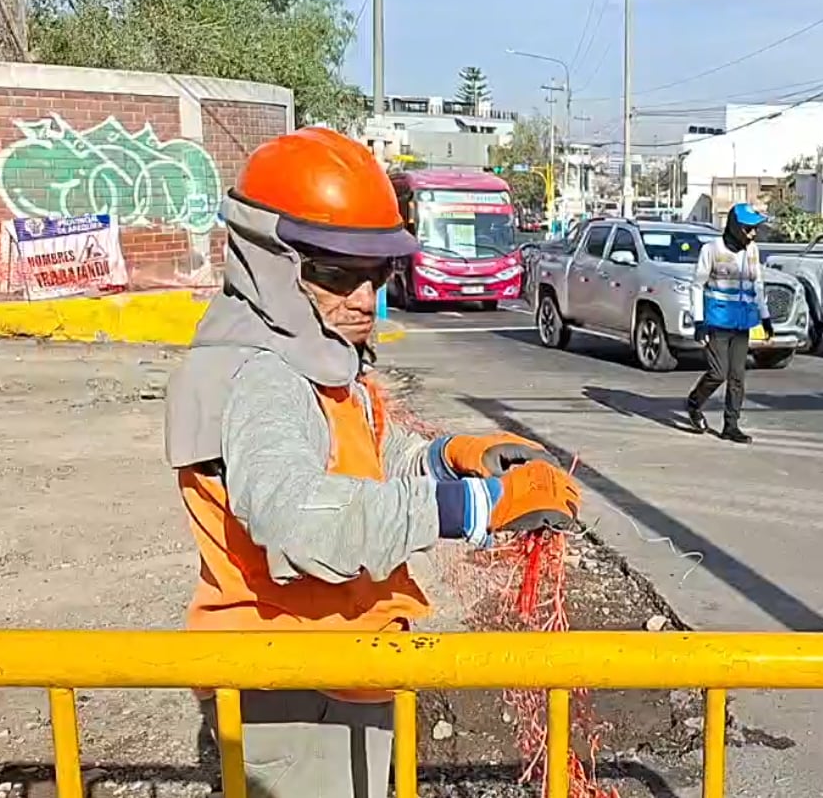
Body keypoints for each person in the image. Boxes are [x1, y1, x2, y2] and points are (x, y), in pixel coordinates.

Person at [163, 126, 582, 798]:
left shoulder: (311, 352)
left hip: (338, 664)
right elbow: (301, 519)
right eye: (336, 272)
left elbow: (366, 463)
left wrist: (453, 460)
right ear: (270, 261)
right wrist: (474, 508)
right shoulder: (261, 376)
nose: (364, 297)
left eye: (377, 272)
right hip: (292, 686)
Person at [685, 203, 773, 444]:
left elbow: (757, 284)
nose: (752, 234)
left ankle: (731, 426)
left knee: (737, 377)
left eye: (755, 229)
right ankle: (694, 402)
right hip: (717, 320)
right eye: (748, 229)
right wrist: (699, 321)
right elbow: (697, 286)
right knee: (718, 373)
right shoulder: (711, 250)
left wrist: (765, 317)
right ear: (734, 227)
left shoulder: (752, 250)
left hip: (742, 322)